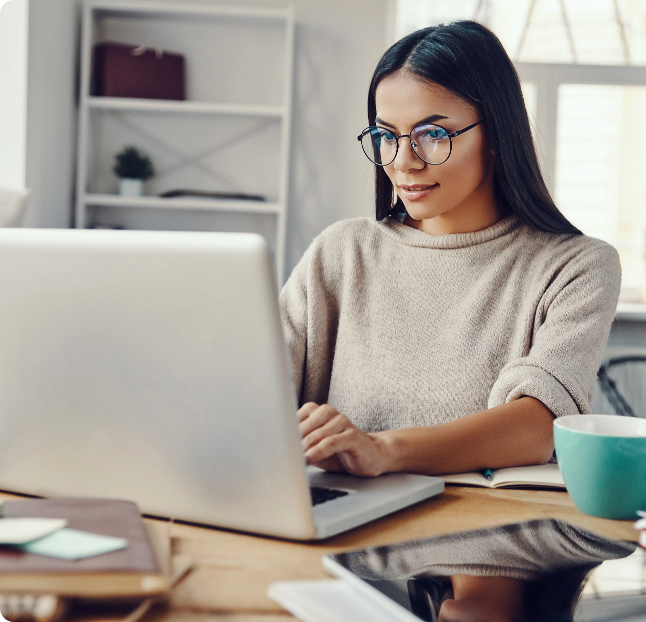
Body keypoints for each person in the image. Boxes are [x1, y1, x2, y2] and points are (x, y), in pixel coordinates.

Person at [279, 20, 621, 477]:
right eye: (386, 136)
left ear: (496, 134)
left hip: (488, 534)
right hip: (341, 525)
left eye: (432, 134)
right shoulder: (340, 252)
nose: (403, 162)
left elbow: (537, 426)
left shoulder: (576, 267)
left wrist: (383, 450)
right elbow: (257, 387)